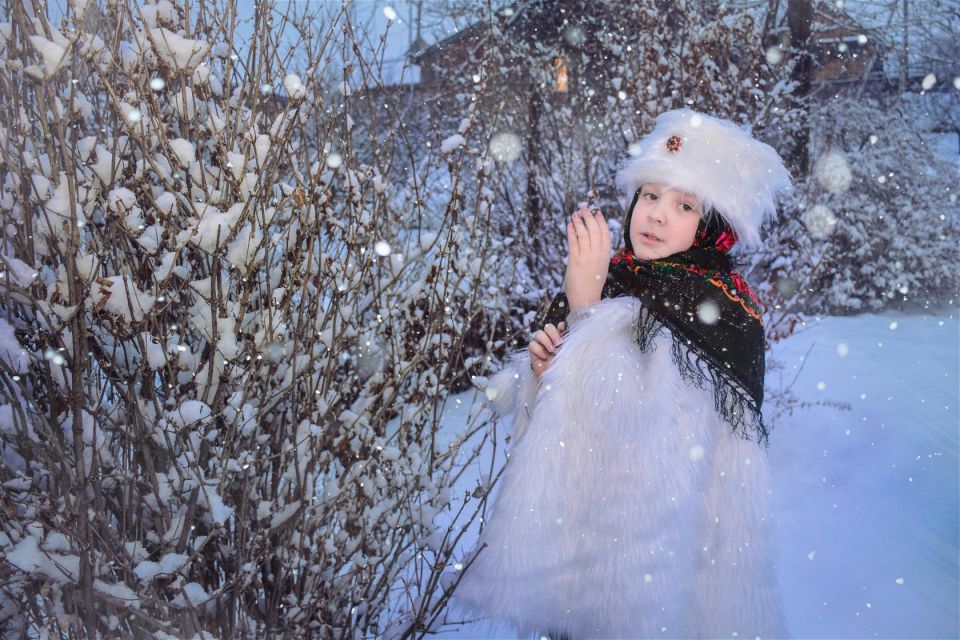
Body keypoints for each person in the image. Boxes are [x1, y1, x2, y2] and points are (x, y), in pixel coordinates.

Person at [451, 108, 793, 639]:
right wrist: (544, 371)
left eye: (684, 205)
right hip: (576, 567)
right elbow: (556, 444)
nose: (655, 216)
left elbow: (640, 442)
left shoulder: (718, 312)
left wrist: (585, 310)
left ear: (713, 230)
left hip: (650, 584)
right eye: (650, 195)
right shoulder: (619, 281)